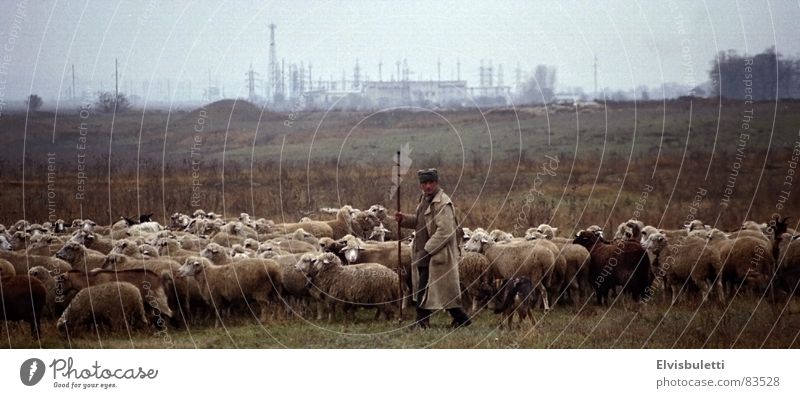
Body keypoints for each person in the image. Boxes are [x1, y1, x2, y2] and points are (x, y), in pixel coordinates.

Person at [394, 168, 471, 329]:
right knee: (439, 291)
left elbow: (446, 231)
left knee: (428, 288)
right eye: (424, 183)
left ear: (436, 182)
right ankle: (462, 320)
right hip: (424, 252)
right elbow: (421, 222)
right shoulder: (424, 200)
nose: (428, 186)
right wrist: (404, 220)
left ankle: (422, 323)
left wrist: (427, 250)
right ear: (421, 185)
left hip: (437, 253)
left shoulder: (443, 203)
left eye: (431, 183)